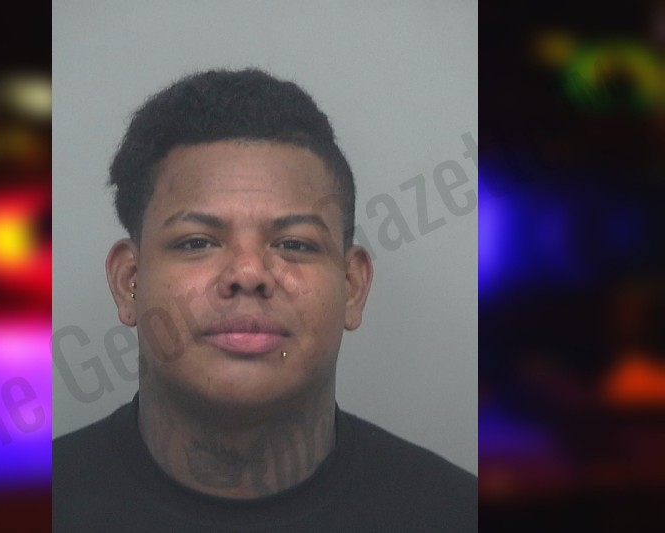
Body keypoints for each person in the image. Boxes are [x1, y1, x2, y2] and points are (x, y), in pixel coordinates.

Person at [53, 68, 476, 532]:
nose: (249, 273)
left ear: (353, 287)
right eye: (197, 242)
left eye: (294, 244)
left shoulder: (457, 514)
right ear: (128, 281)